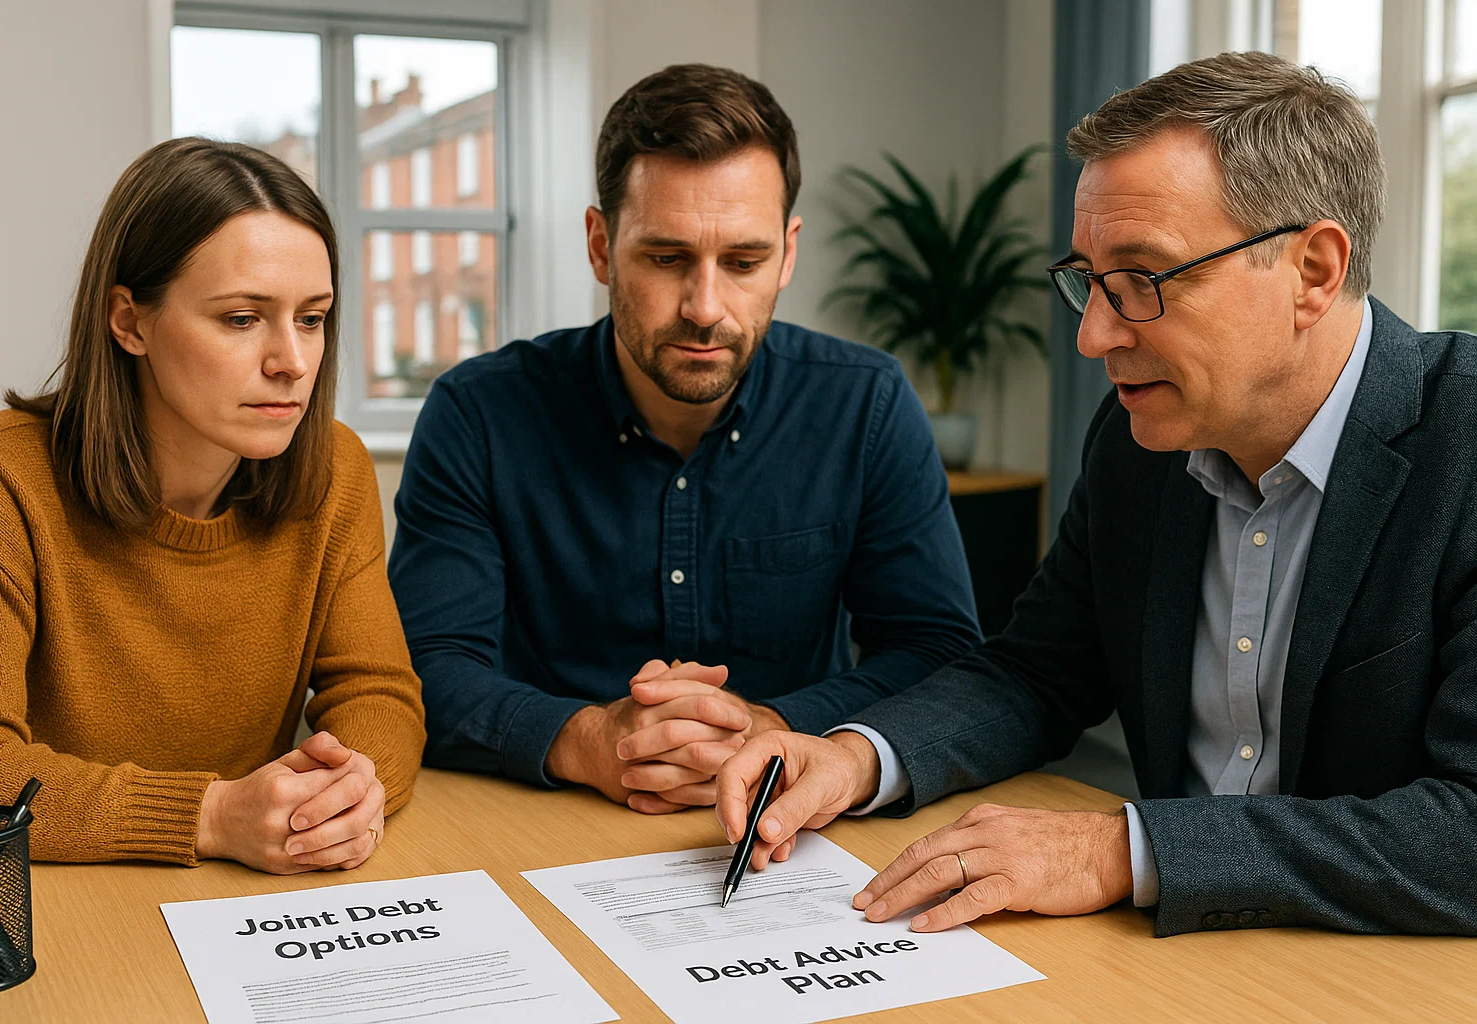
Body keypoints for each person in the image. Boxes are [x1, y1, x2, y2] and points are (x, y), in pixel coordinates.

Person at [716, 51, 1477, 937]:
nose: (1094, 336)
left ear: (1312, 271)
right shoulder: (1139, 441)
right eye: (1088, 281)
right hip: (1159, 959)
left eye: (1143, 280)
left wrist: (1125, 849)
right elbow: (1036, 673)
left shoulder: (1463, 438)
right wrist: (856, 757)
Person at [390, 64, 979, 814]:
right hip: (546, 820)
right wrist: (588, 739)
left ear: (788, 253)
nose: (705, 307)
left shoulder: (866, 403)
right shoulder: (478, 413)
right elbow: (426, 666)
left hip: (792, 829)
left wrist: (772, 728)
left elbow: (938, 652)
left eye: (744, 262)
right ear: (600, 245)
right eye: (667, 259)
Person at [0, 138, 426, 874]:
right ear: (129, 322)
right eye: (242, 318)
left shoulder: (336, 468)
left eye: (311, 318)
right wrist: (211, 816)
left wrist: (347, 793)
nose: (292, 362)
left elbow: (379, 693)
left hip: (249, 891)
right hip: (52, 898)